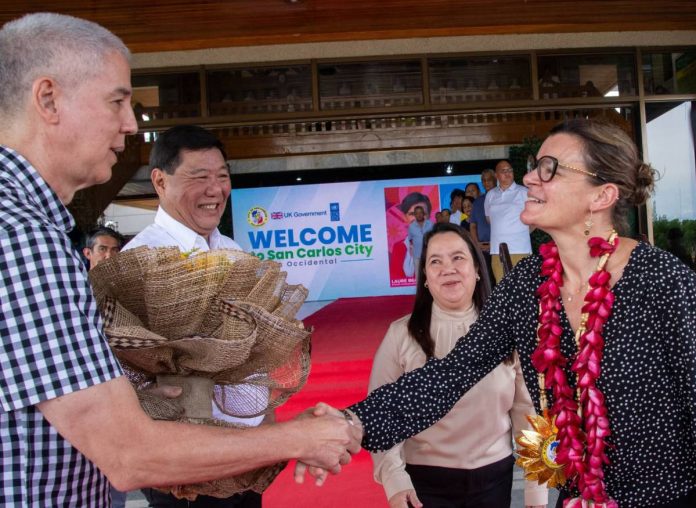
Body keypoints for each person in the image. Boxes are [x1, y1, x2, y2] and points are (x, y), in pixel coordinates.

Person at [0, 12, 360, 506]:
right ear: (48, 99)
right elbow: (128, 453)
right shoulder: (21, 237)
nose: (131, 124)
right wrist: (299, 439)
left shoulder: (33, 228)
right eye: (118, 102)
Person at [340, 118, 696, 507]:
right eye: (534, 166)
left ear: (601, 196)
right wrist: (351, 424)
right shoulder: (526, 286)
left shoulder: (664, 281)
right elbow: (451, 373)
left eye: (550, 169)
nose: (529, 179)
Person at [123, 124, 267, 507]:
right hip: (184, 472)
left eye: (222, 176)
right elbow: (114, 372)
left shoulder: (234, 251)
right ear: (160, 181)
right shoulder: (138, 262)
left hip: (244, 456)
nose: (215, 189)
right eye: (199, 177)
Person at [369, 223, 547, 508]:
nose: (447, 268)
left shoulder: (509, 331)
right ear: (425, 277)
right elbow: (381, 417)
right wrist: (394, 480)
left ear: (477, 269)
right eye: (435, 261)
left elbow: (527, 412)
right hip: (423, 485)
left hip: (494, 480)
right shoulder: (401, 334)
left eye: (458, 258)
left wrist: (536, 490)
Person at [485, 159, 532, 282]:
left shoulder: (524, 192)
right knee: (502, 289)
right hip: (497, 251)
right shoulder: (490, 195)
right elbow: (489, 219)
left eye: (510, 170)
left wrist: (523, 231)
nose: (508, 173)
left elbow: (535, 219)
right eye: (503, 171)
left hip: (520, 249)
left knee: (522, 288)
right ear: (496, 175)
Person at [387, 191, 433, 282]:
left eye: (422, 213)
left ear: (429, 215)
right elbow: (395, 281)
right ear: (405, 217)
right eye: (412, 214)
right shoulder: (398, 247)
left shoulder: (440, 244)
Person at [470, 168, 497, 285]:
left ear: (495, 180)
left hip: (498, 247)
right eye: (484, 180)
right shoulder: (477, 202)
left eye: (489, 180)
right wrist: (476, 245)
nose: (486, 183)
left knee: (501, 279)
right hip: (482, 249)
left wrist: (494, 243)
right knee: (487, 281)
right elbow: (473, 226)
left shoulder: (502, 198)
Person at [404, 205, 433, 278]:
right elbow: (410, 239)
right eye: (417, 213)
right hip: (417, 255)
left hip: (429, 255)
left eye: (420, 213)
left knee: (430, 275)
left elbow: (434, 237)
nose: (419, 215)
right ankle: (419, 289)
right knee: (418, 276)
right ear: (415, 215)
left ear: (424, 213)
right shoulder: (411, 227)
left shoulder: (430, 224)